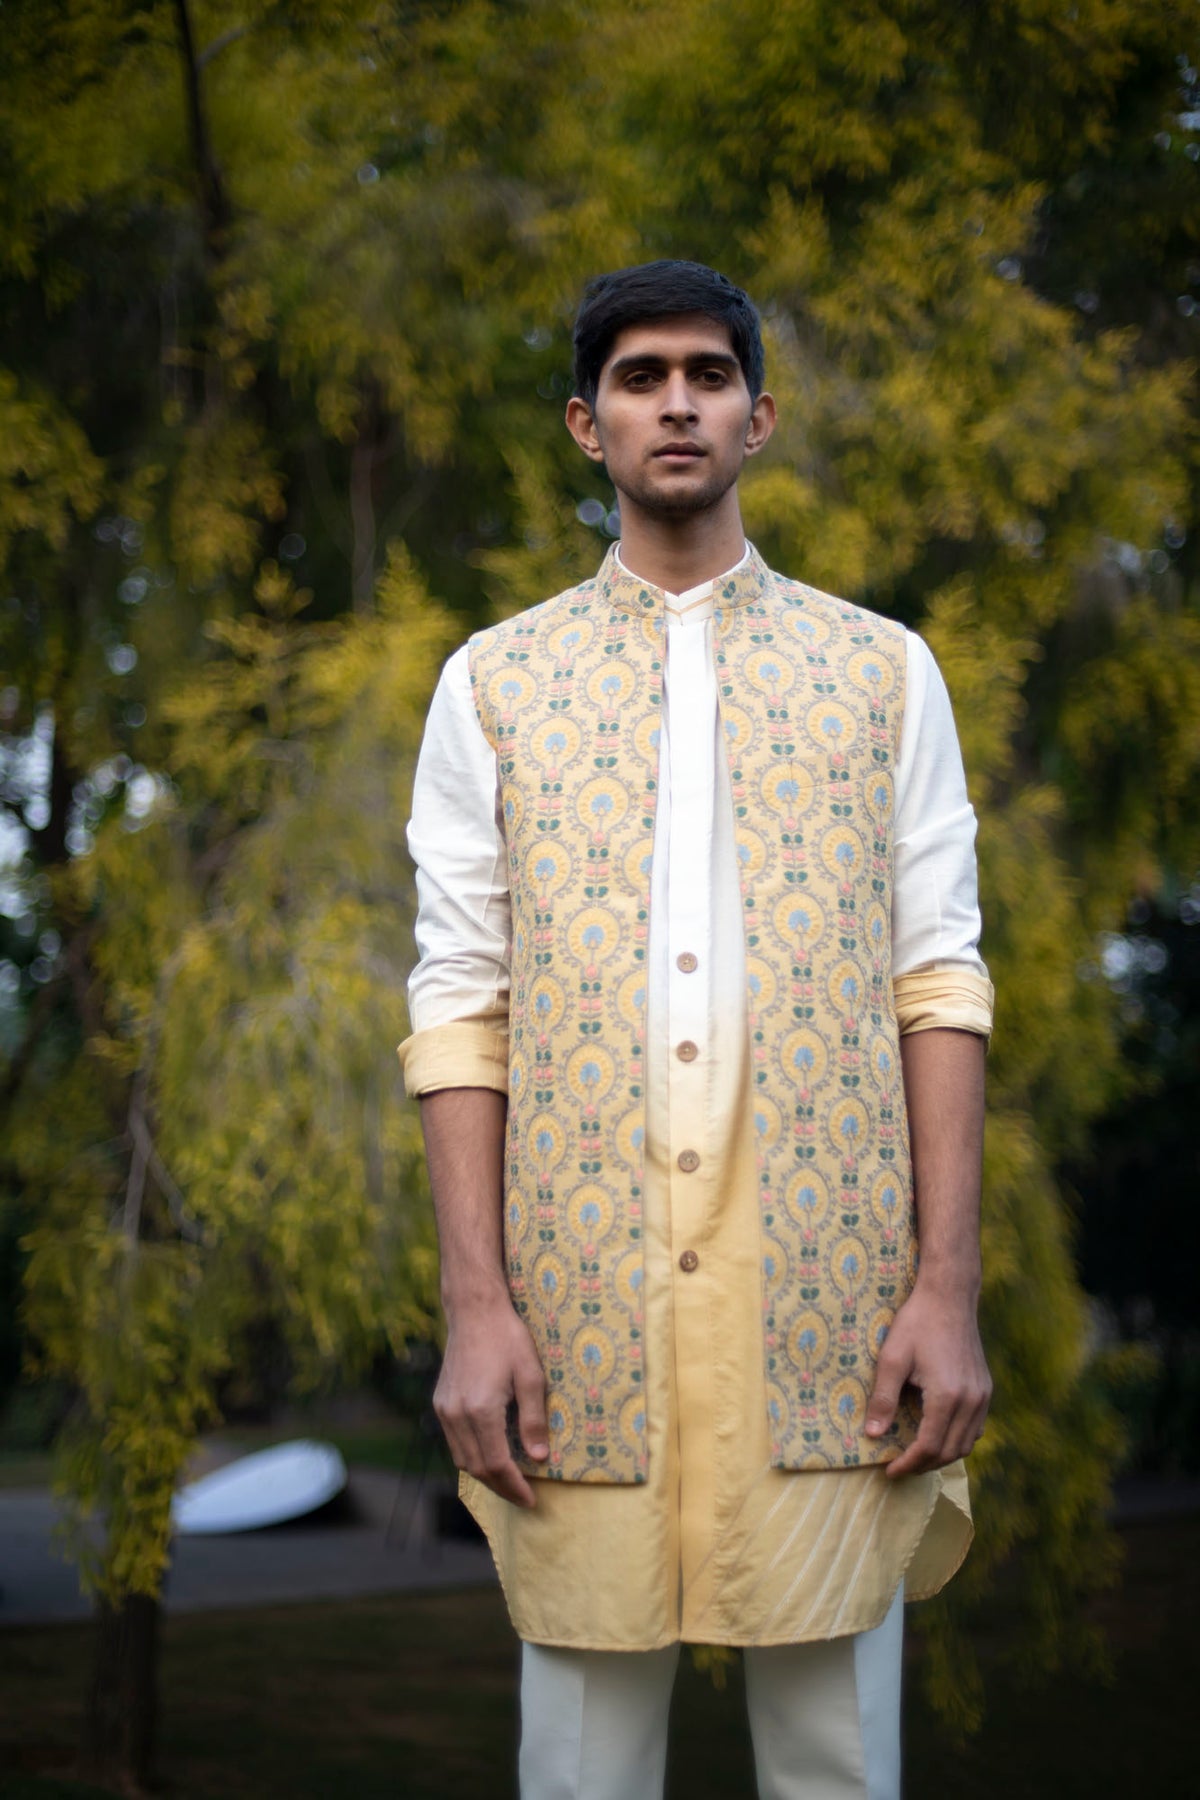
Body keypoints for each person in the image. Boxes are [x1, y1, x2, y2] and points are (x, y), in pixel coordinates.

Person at [398, 259, 993, 1800]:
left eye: (708, 376)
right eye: (643, 377)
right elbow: (463, 1008)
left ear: (759, 416)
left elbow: (941, 984)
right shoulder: (494, 686)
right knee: (581, 1772)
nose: (678, 401)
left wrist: (945, 1287)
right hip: (577, 1320)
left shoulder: (884, 673)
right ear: (586, 425)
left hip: (832, 1316)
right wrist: (478, 1307)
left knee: (836, 1769)